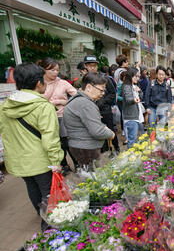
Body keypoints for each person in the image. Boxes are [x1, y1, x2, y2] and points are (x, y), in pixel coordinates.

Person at [0, 62, 63, 231]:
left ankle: (41, 214)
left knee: (32, 187)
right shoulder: (43, 107)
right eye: (43, 80)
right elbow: (50, 138)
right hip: (41, 161)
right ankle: (49, 227)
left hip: (18, 161)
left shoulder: (5, 106)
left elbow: (4, 132)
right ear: (37, 83)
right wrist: (56, 161)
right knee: (48, 194)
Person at [63, 73, 115, 169]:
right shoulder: (85, 103)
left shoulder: (78, 100)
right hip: (86, 148)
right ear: (89, 87)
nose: (103, 93)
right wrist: (111, 134)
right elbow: (97, 131)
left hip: (79, 146)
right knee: (92, 178)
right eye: (101, 90)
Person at [39, 58, 77, 175]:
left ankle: (77, 164)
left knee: (68, 142)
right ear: (43, 70)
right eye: (52, 70)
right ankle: (64, 166)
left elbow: (77, 96)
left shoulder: (63, 83)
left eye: (57, 70)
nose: (55, 73)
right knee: (56, 144)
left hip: (63, 117)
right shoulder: (39, 85)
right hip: (48, 119)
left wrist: (62, 101)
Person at [83, 55, 119, 154]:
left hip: (105, 109)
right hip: (92, 111)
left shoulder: (104, 78)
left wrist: (102, 102)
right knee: (97, 132)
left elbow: (113, 93)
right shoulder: (85, 80)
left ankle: (116, 149)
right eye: (90, 66)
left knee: (110, 130)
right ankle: (104, 152)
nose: (92, 68)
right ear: (85, 66)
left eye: (94, 66)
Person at [121, 68, 145, 148]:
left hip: (136, 114)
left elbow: (141, 97)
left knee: (134, 138)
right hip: (130, 116)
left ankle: (133, 155)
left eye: (138, 76)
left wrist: (140, 91)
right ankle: (131, 158)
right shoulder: (126, 86)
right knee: (132, 139)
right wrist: (134, 100)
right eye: (136, 76)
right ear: (130, 76)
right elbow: (128, 100)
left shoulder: (133, 85)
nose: (138, 78)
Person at [114, 54, 129, 144]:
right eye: (126, 61)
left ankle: (124, 130)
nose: (127, 63)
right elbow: (121, 85)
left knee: (123, 115)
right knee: (125, 116)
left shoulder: (116, 71)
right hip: (123, 97)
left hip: (119, 97)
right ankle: (126, 132)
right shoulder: (122, 72)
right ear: (123, 62)